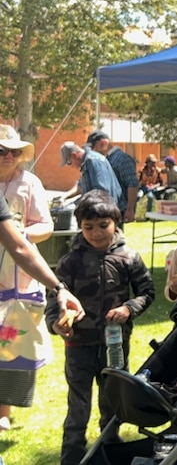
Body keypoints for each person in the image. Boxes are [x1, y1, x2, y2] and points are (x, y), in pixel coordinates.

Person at [45, 190, 154, 465]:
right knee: (78, 405)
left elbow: (147, 291)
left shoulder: (129, 257)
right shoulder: (70, 262)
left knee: (113, 401)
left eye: (103, 225)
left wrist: (129, 308)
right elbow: (53, 298)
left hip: (115, 345)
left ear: (115, 223)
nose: (96, 233)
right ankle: (72, 456)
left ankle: (109, 448)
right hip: (79, 346)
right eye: (88, 227)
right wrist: (55, 324)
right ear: (80, 227)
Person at [0, 125, 55, 431]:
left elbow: (45, 225)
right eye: (1, 150)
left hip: (18, 276)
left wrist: (23, 232)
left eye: (14, 151)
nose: (8, 156)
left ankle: (3, 411)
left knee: (10, 347)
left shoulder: (29, 183)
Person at [60, 141, 124, 223]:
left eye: (69, 162)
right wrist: (64, 197)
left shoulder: (93, 161)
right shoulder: (86, 163)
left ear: (74, 155)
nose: (71, 166)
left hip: (106, 213)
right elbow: (80, 187)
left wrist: (79, 203)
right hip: (99, 212)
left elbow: (101, 191)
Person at [87, 131, 139, 224]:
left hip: (118, 208)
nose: (92, 152)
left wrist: (130, 209)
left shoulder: (122, 159)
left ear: (103, 143)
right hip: (107, 208)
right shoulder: (104, 160)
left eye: (93, 148)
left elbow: (132, 184)